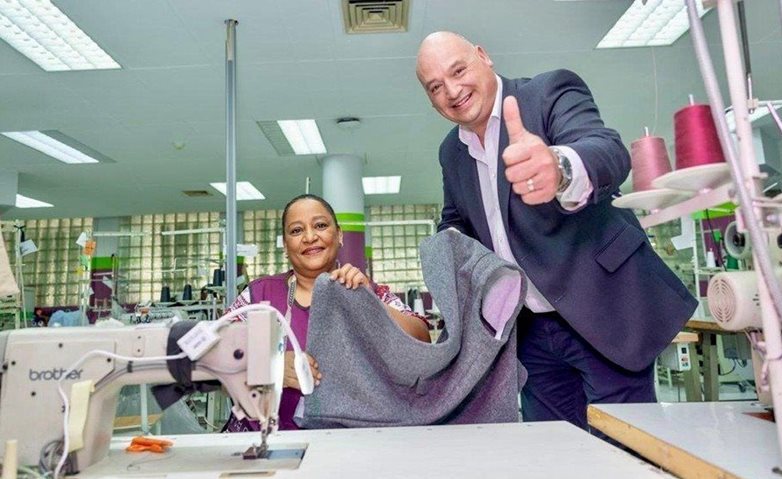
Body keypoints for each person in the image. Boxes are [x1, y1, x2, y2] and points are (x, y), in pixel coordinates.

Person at [415, 32, 697, 431]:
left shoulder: (547, 92)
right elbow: (456, 222)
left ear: (483, 55)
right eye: (436, 87)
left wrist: (559, 167)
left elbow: (607, 150)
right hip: (529, 331)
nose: (453, 90)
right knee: (554, 452)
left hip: (602, 309)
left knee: (622, 448)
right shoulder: (451, 151)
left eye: (458, 70)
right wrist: (446, 258)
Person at [222, 193, 430, 432]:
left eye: (320, 225)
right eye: (297, 230)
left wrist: (370, 302)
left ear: (339, 235)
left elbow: (421, 339)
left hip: (346, 441)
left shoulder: (366, 290)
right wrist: (267, 365)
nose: (310, 237)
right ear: (286, 244)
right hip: (260, 439)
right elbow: (209, 356)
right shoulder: (260, 295)